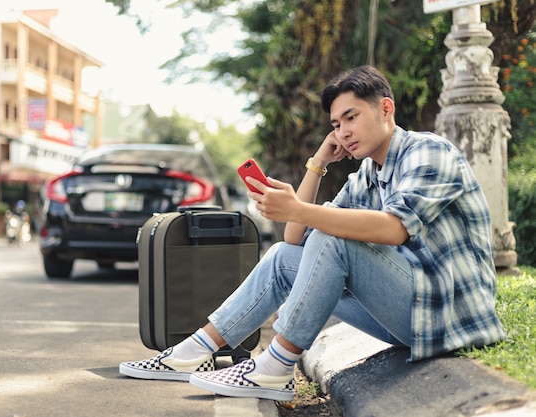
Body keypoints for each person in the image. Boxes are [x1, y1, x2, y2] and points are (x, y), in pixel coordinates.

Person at [119, 66, 506, 401]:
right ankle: (193, 351)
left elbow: (394, 229)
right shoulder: (368, 175)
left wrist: (301, 210)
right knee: (284, 258)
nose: (344, 132)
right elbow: (294, 240)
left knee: (331, 234)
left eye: (351, 118)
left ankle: (277, 365)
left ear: (385, 108)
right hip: (410, 314)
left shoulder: (428, 152)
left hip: (450, 315)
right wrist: (317, 164)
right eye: (337, 125)